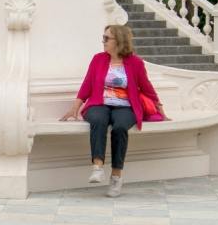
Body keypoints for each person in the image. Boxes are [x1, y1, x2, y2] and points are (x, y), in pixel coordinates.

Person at [60, 23, 167, 197]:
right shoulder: (98, 59)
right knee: (98, 119)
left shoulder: (135, 63)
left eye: (106, 38)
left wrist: (160, 109)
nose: (103, 41)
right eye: (103, 38)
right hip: (99, 103)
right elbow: (87, 85)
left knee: (119, 128)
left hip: (125, 106)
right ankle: (97, 166)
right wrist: (75, 107)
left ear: (119, 41)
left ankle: (116, 176)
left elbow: (147, 88)